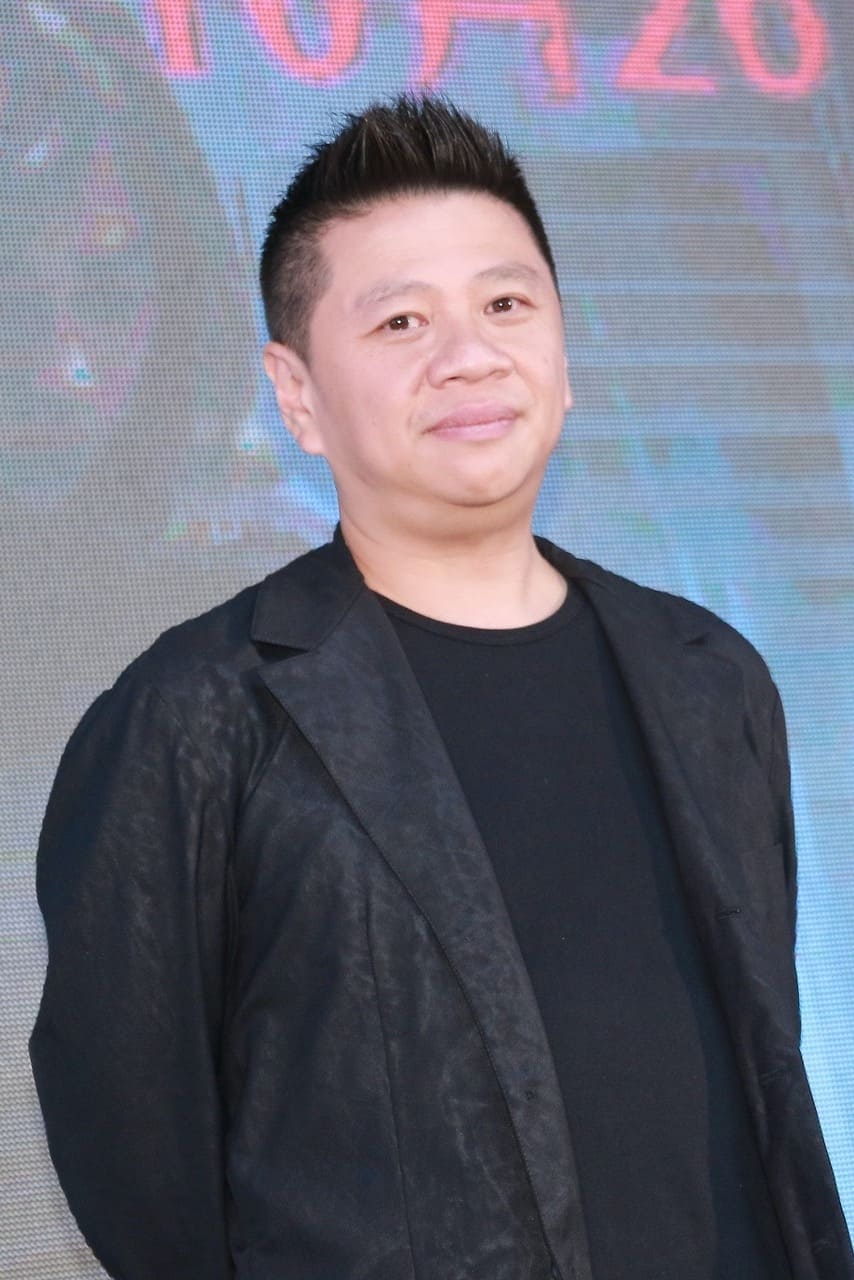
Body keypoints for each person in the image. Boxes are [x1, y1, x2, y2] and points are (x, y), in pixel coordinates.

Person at [30, 96, 853, 1280]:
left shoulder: (709, 676)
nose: (468, 354)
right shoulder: (197, 715)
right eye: (400, 320)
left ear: (564, 352)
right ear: (297, 394)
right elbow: (136, 1153)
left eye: (505, 305)